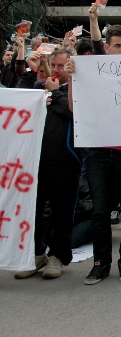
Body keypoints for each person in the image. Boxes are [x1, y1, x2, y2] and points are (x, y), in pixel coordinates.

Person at [72, 3, 121, 285]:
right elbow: (96, 47)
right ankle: (100, 263)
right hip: (100, 153)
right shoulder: (96, 70)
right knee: (101, 211)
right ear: (108, 47)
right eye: (119, 46)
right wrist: (94, 20)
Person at [13, 49, 81, 280]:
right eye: (54, 64)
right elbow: (18, 99)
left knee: (62, 211)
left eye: (62, 65)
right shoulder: (40, 87)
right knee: (33, 210)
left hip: (65, 160)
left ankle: (58, 256)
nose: (57, 69)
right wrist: (31, 72)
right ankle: (35, 253)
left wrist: (57, 95)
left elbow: (77, 113)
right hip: (34, 161)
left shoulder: (75, 88)